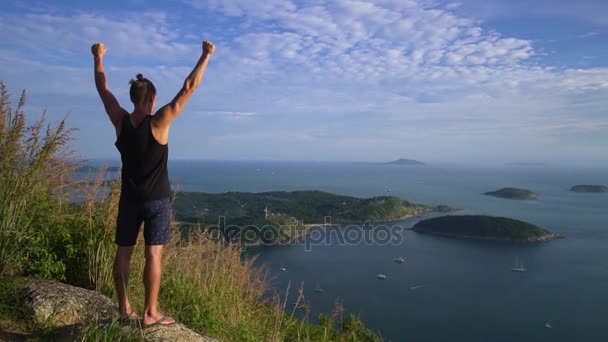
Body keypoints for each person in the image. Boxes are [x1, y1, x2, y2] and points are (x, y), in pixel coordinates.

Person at [91, 40, 215, 326]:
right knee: (153, 255)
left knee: (123, 252)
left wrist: (98, 58)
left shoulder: (120, 121)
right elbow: (188, 88)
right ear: (150, 100)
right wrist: (205, 56)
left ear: (134, 97)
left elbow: (103, 89)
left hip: (129, 199)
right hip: (157, 200)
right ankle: (150, 313)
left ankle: (124, 309)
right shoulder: (159, 122)